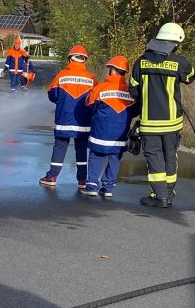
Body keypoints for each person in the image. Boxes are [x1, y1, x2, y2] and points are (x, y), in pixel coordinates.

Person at [129, 22, 195, 208]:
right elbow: (191, 77)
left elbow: (133, 90)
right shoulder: (179, 63)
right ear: (175, 42)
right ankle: (167, 193)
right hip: (172, 123)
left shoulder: (140, 62)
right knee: (170, 155)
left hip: (149, 123)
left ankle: (159, 196)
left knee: (154, 157)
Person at [39, 45, 98, 189]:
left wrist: (63, 103)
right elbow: (96, 100)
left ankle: (52, 176)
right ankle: (83, 180)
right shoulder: (91, 78)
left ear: (70, 58)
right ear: (84, 60)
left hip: (63, 119)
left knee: (59, 147)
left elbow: (52, 95)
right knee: (82, 149)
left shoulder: (62, 75)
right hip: (83, 121)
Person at [81, 55, 137, 198]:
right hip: (120, 133)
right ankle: (108, 188)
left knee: (96, 157)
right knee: (114, 158)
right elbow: (135, 110)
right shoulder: (131, 92)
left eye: (109, 69)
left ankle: (92, 185)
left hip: (100, 131)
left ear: (113, 70)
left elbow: (89, 106)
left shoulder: (101, 88)